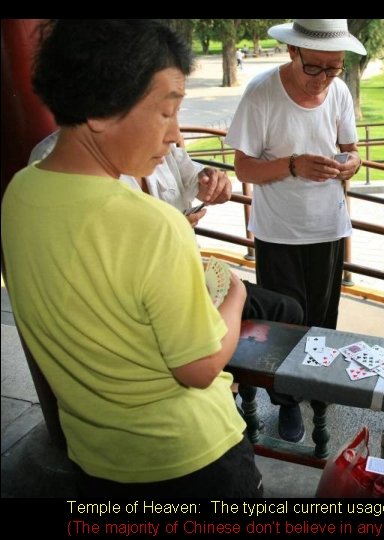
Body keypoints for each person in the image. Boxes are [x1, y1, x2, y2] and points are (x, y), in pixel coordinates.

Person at [2, 19, 262, 497]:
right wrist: (237, 295)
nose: (177, 135)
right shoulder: (152, 225)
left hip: (97, 455)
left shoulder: (20, 193)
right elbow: (200, 367)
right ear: (100, 110)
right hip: (191, 459)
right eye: (166, 113)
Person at [225, 19, 365, 442]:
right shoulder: (262, 92)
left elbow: (352, 152)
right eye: (315, 68)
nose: (323, 79)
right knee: (285, 323)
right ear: (293, 53)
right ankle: (286, 402)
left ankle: (318, 390)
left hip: (328, 225)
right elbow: (243, 166)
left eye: (334, 68)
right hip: (279, 231)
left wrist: (350, 165)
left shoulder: (338, 91)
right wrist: (292, 164)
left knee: (323, 320)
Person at [29, 130, 232, 228]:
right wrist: (168, 234)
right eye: (163, 111)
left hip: (183, 275)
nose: (174, 133)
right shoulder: (51, 163)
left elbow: (191, 175)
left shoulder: (155, 139)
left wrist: (210, 179)